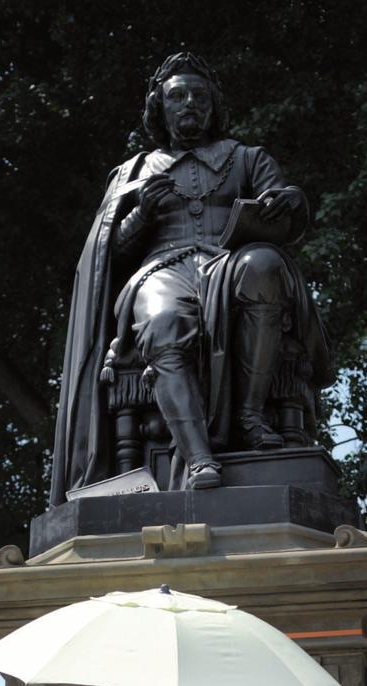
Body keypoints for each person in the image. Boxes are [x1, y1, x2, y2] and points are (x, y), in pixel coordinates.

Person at [50, 50, 331, 503]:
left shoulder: (247, 158)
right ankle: (199, 456)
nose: (189, 104)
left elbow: (281, 211)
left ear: (214, 105)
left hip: (229, 262)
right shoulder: (134, 171)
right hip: (162, 270)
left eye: (199, 96)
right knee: (162, 323)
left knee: (264, 265)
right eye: (177, 96)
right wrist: (141, 216)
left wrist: (291, 201)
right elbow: (108, 258)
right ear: (159, 107)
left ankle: (250, 415)